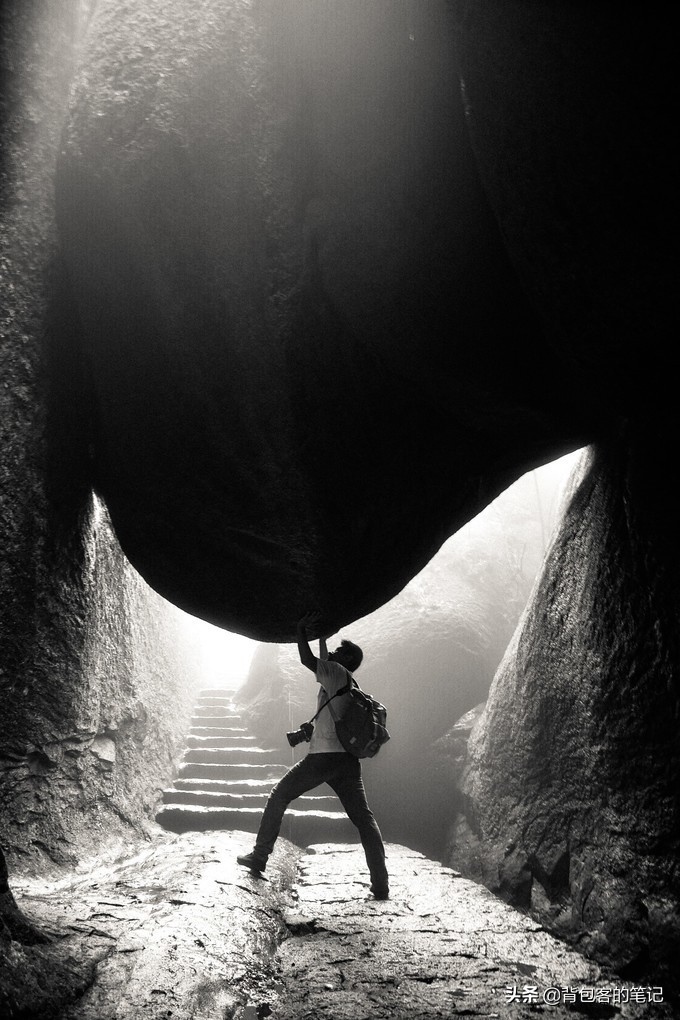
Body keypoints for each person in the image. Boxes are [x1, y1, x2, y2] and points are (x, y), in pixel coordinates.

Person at [236, 612, 389, 899]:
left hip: (322, 759)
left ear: (345, 662)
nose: (333, 652)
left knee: (278, 795)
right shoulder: (346, 681)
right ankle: (381, 884)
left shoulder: (335, 674)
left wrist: (300, 630)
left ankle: (259, 858)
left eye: (339, 652)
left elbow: (309, 661)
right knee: (364, 819)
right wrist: (323, 636)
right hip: (346, 762)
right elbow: (323, 657)